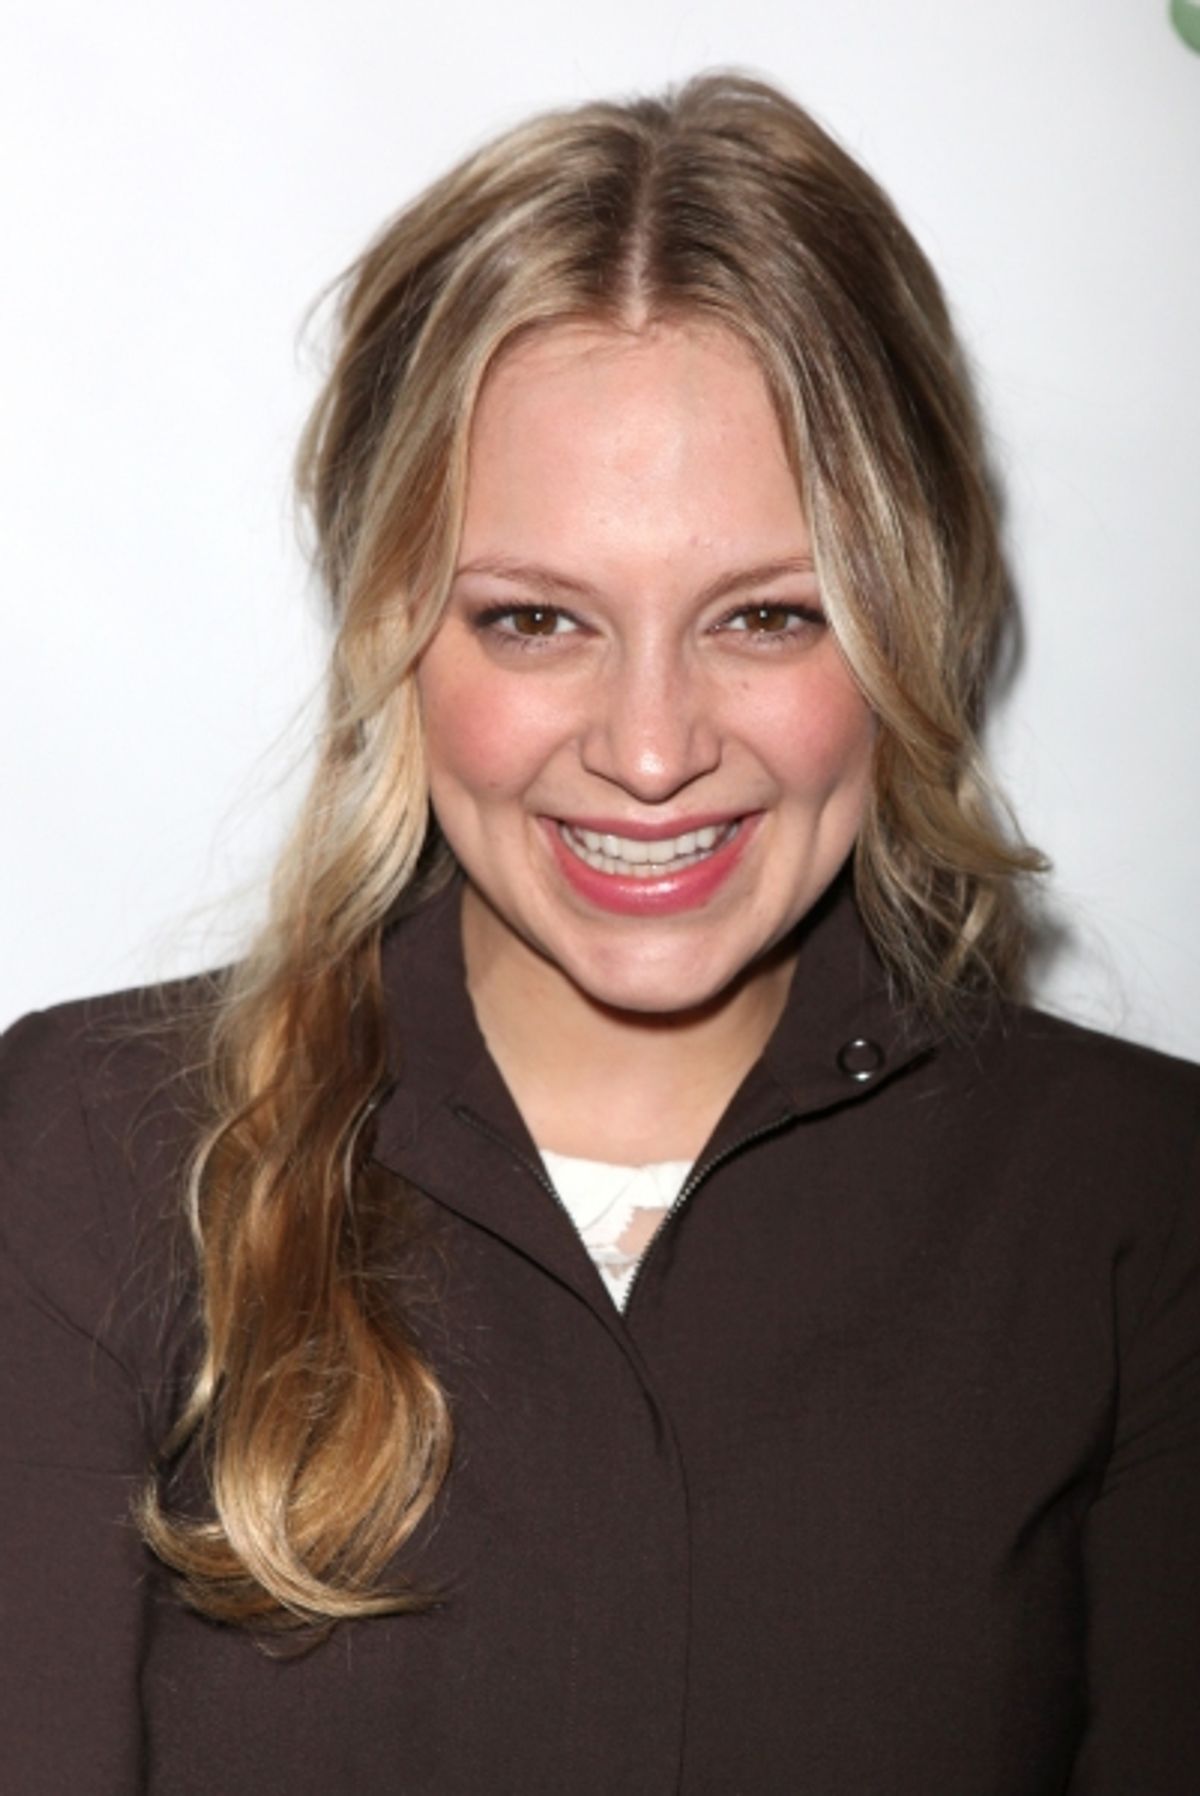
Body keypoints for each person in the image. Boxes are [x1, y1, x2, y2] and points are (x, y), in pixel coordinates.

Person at [1, 71, 1197, 1796]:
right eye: (538, 617)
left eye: (770, 616)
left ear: (910, 621)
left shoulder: (1142, 1207)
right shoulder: (89, 1153)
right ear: (395, 633)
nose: (649, 749)